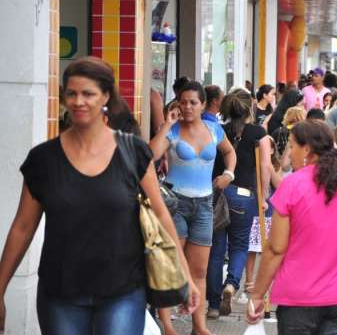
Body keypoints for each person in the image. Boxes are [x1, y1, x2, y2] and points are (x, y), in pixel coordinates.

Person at [0, 57, 199, 335]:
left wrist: (186, 275)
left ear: (106, 96)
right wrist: (0, 287)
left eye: (88, 93)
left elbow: (162, 214)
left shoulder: (133, 152)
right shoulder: (43, 160)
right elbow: (22, 227)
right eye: (72, 93)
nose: (79, 101)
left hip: (123, 292)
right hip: (60, 294)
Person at [245, 120, 337, 333]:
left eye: (292, 145)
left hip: (298, 300)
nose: (290, 152)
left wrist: (258, 295)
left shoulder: (292, 185)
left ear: (306, 149)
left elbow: (275, 249)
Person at [150, 80, 237, 335]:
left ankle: (199, 326)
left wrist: (229, 174)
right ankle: (166, 324)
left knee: (199, 269)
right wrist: (166, 123)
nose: (187, 107)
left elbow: (230, 153)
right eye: (183, 102)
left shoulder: (214, 129)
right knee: (172, 263)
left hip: (205, 204)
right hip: (175, 202)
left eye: (193, 102)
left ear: (203, 105)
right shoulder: (173, 130)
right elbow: (151, 155)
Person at [207, 88, 271, 319]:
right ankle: (232, 283)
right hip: (245, 195)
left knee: (216, 250)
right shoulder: (258, 133)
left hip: (217, 193)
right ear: (248, 108)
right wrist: (263, 197)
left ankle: (213, 306)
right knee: (240, 245)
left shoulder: (217, 130)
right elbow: (264, 167)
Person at [243, 136, 282, 305]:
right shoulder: (251, 165)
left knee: (267, 248)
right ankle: (249, 281)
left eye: (269, 148)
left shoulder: (276, 166)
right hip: (253, 209)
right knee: (251, 248)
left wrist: (268, 166)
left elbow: (279, 185)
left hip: (269, 211)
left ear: (273, 150)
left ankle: (266, 282)